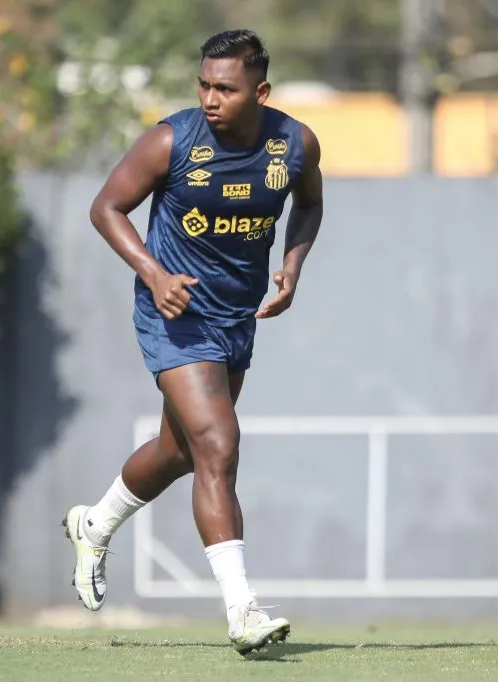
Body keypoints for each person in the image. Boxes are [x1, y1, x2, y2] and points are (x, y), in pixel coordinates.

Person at [62, 28, 324, 655]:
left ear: (260, 91)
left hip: (236, 318)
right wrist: (154, 275)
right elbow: (106, 208)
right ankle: (243, 611)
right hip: (174, 314)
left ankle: (94, 524)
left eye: (225, 89)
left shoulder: (295, 143)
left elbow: (309, 205)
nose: (210, 98)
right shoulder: (171, 141)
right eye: (204, 85)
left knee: (180, 451)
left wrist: (292, 266)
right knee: (218, 442)